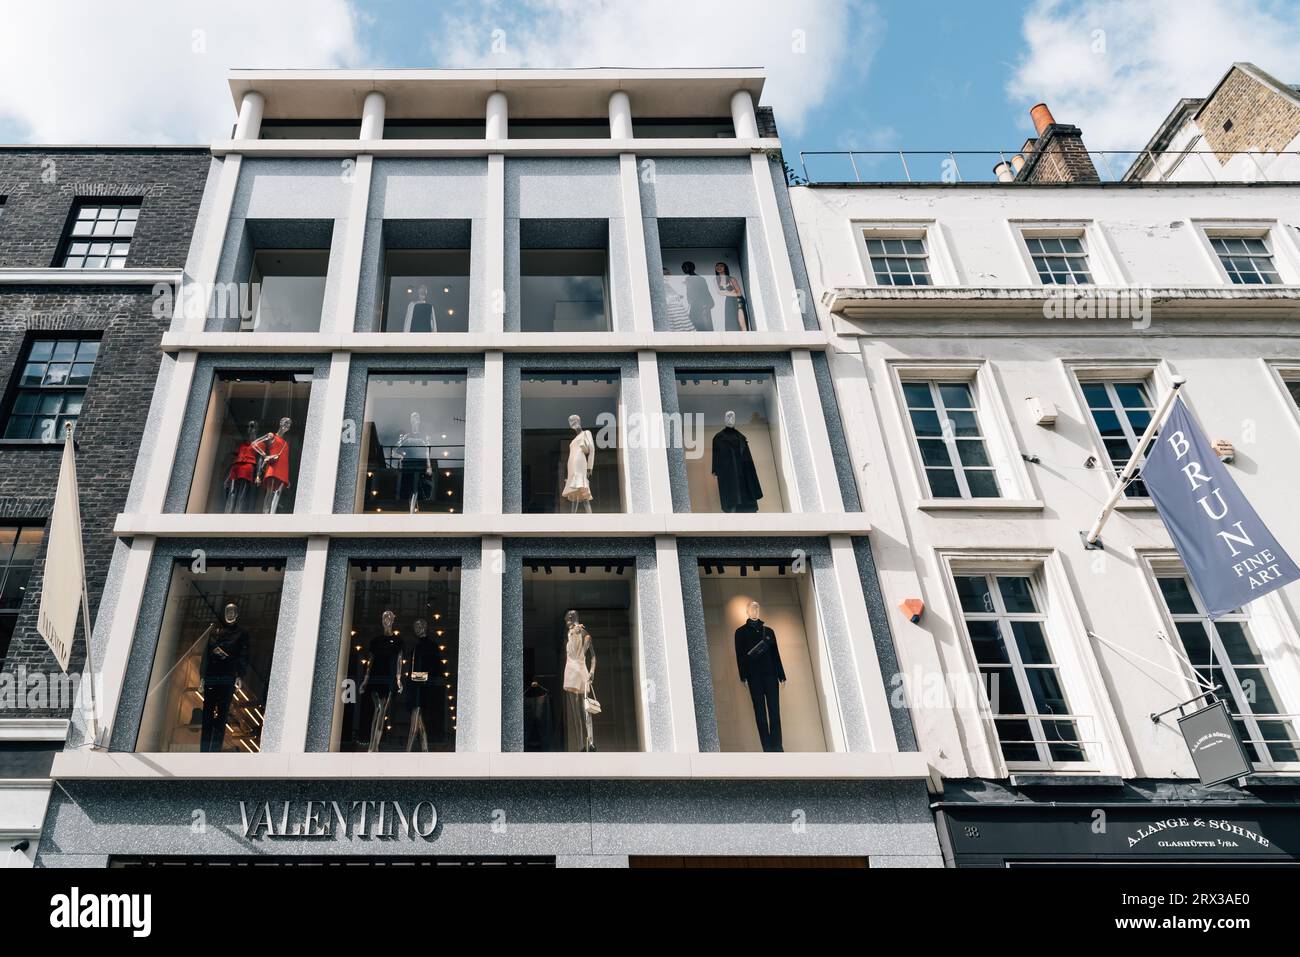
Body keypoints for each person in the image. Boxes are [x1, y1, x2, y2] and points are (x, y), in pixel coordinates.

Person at [714, 262, 748, 331]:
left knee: (741, 321)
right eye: (717, 266)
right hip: (728, 301)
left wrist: (725, 292)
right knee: (730, 320)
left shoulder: (731, 279)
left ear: (725, 268)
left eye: (721, 266)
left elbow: (738, 293)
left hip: (738, 300)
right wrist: (731, 292)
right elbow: (719, 292)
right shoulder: (715, 279)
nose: (718, 267)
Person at [682, 261, 715, 331]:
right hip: (697, 304)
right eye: (683, 268)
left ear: (692, 268)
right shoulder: (691, 278)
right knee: (695, 322)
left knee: (698, 322)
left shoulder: (696, 279)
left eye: (686, 267)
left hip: (700, 304)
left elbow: (705, 291)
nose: (684, 269)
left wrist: (706, 304)